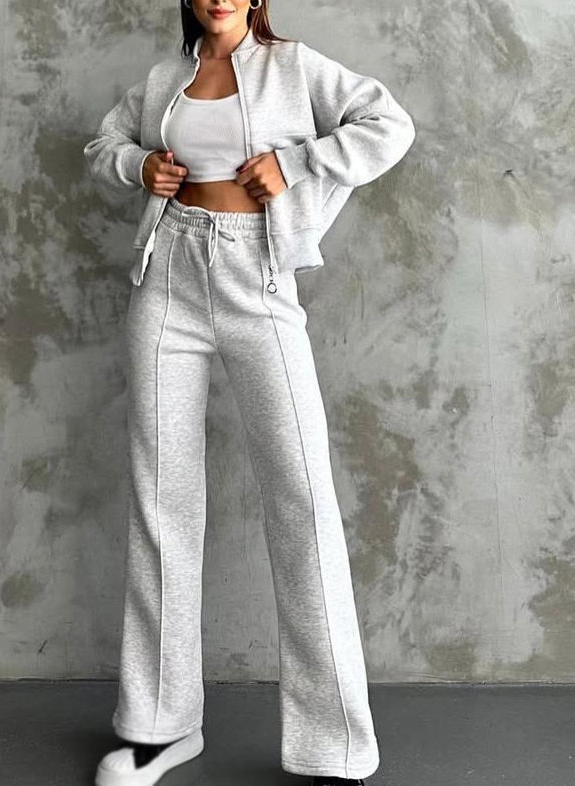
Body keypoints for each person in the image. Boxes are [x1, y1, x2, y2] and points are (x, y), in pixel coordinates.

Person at [82, 2, 415, 784]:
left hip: (255, 280)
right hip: (167, 281)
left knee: (302, 499)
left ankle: (334, 746)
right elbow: (104, 145)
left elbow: (388, 126)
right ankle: (160, 728)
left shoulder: (296, 69)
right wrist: (138, 168)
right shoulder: (165, 78)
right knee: (161, 500)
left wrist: (297, 164)